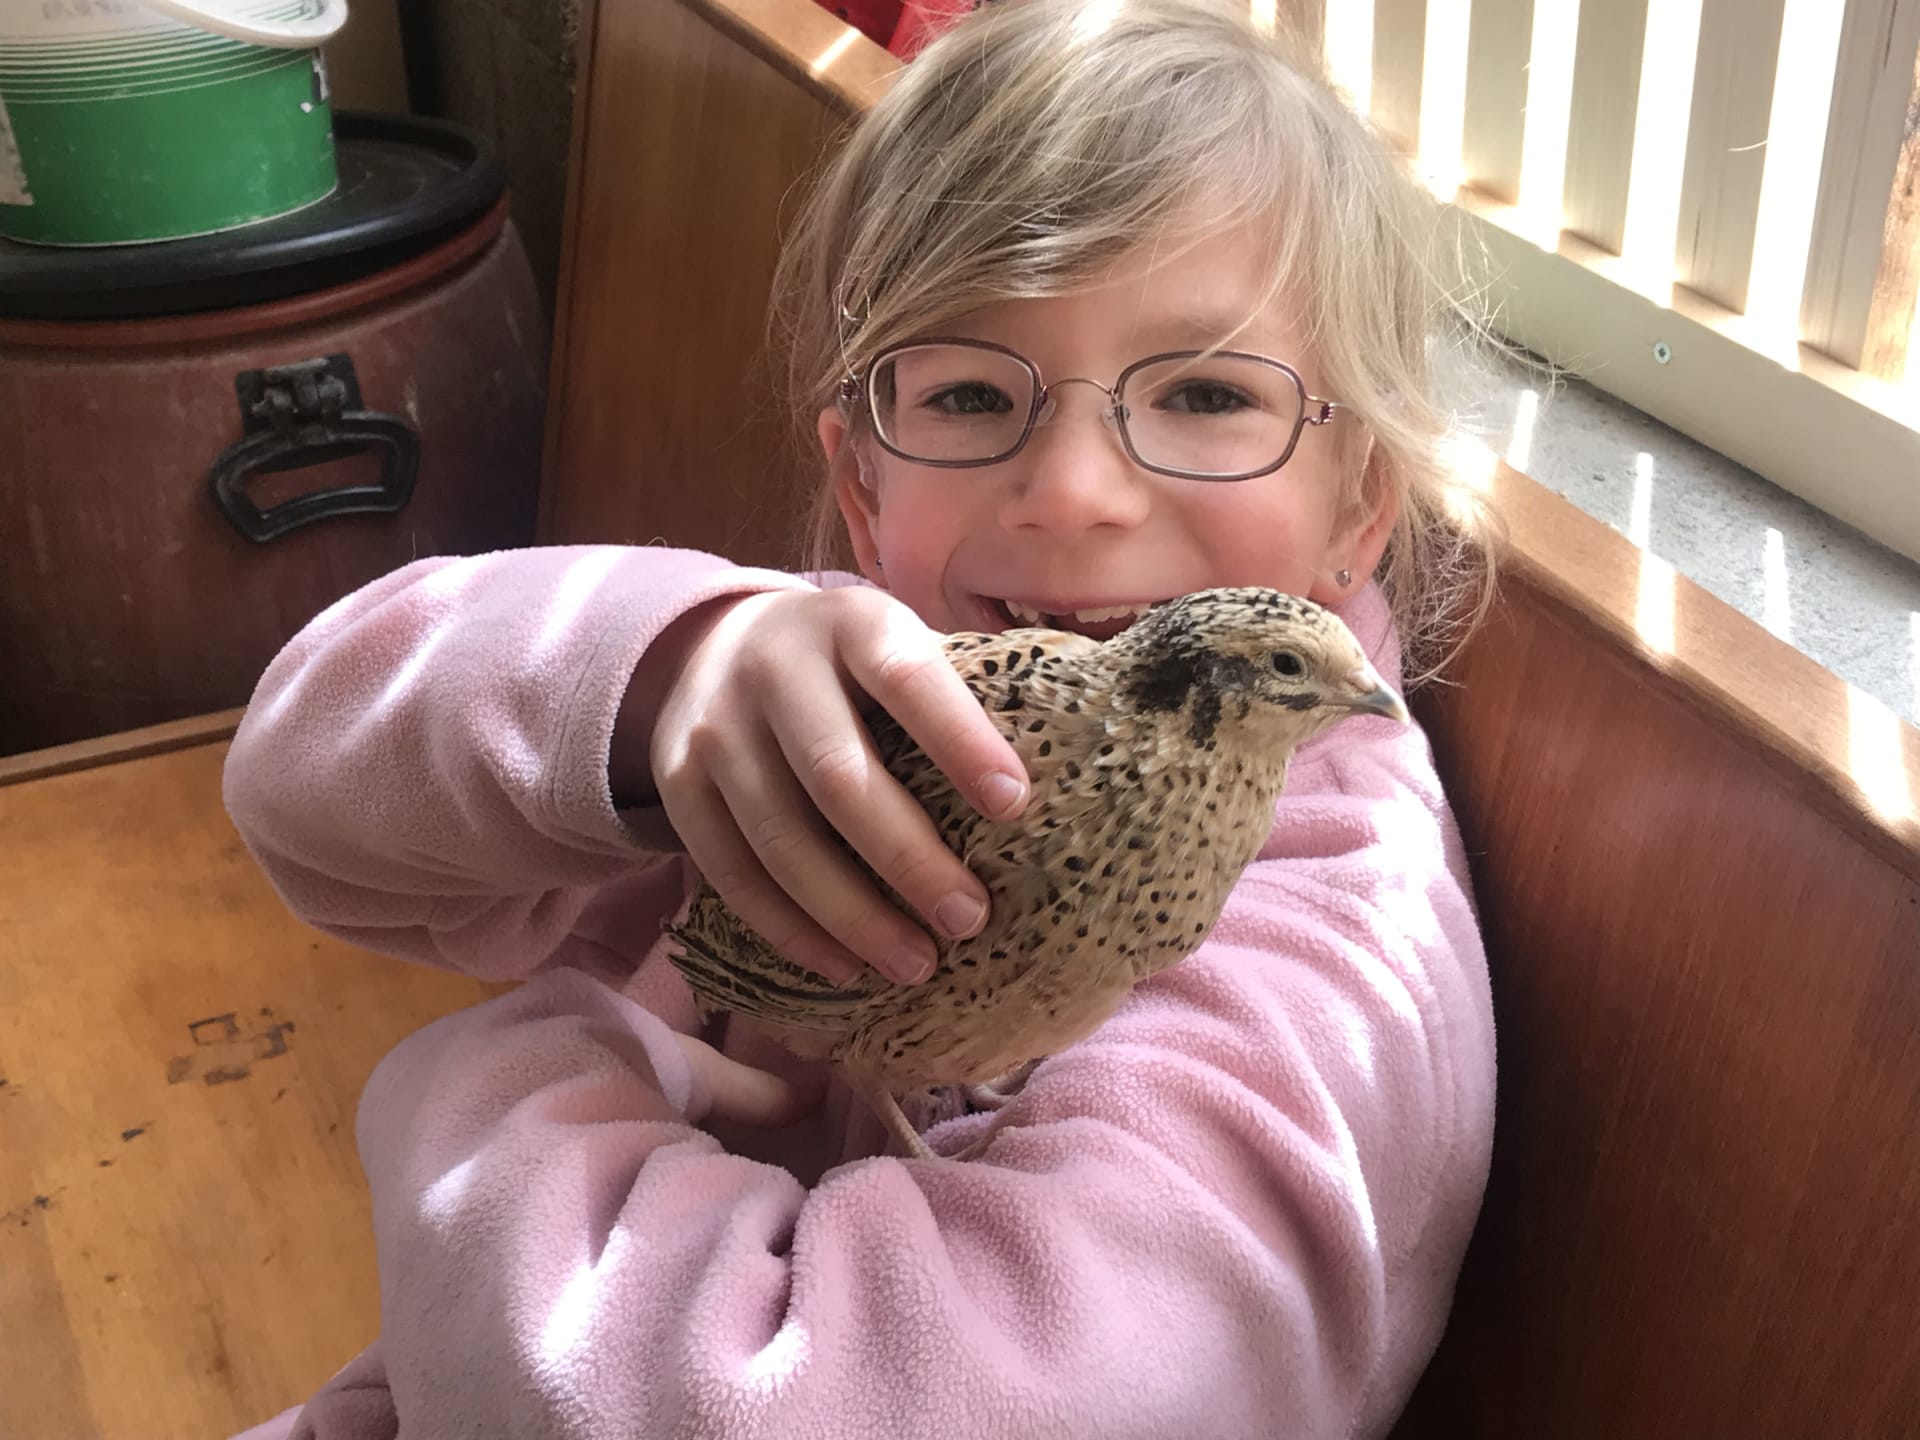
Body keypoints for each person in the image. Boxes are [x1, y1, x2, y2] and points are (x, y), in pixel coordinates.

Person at [225, 0, 1501, 1434]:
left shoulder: (1332, 951)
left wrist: (496, 1096)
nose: (1074, 493)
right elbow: (297, 795)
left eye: (1207, 393)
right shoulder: (853, 675)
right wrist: (660, 676)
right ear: (862, 484)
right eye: (971, 393)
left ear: (1364, 505)